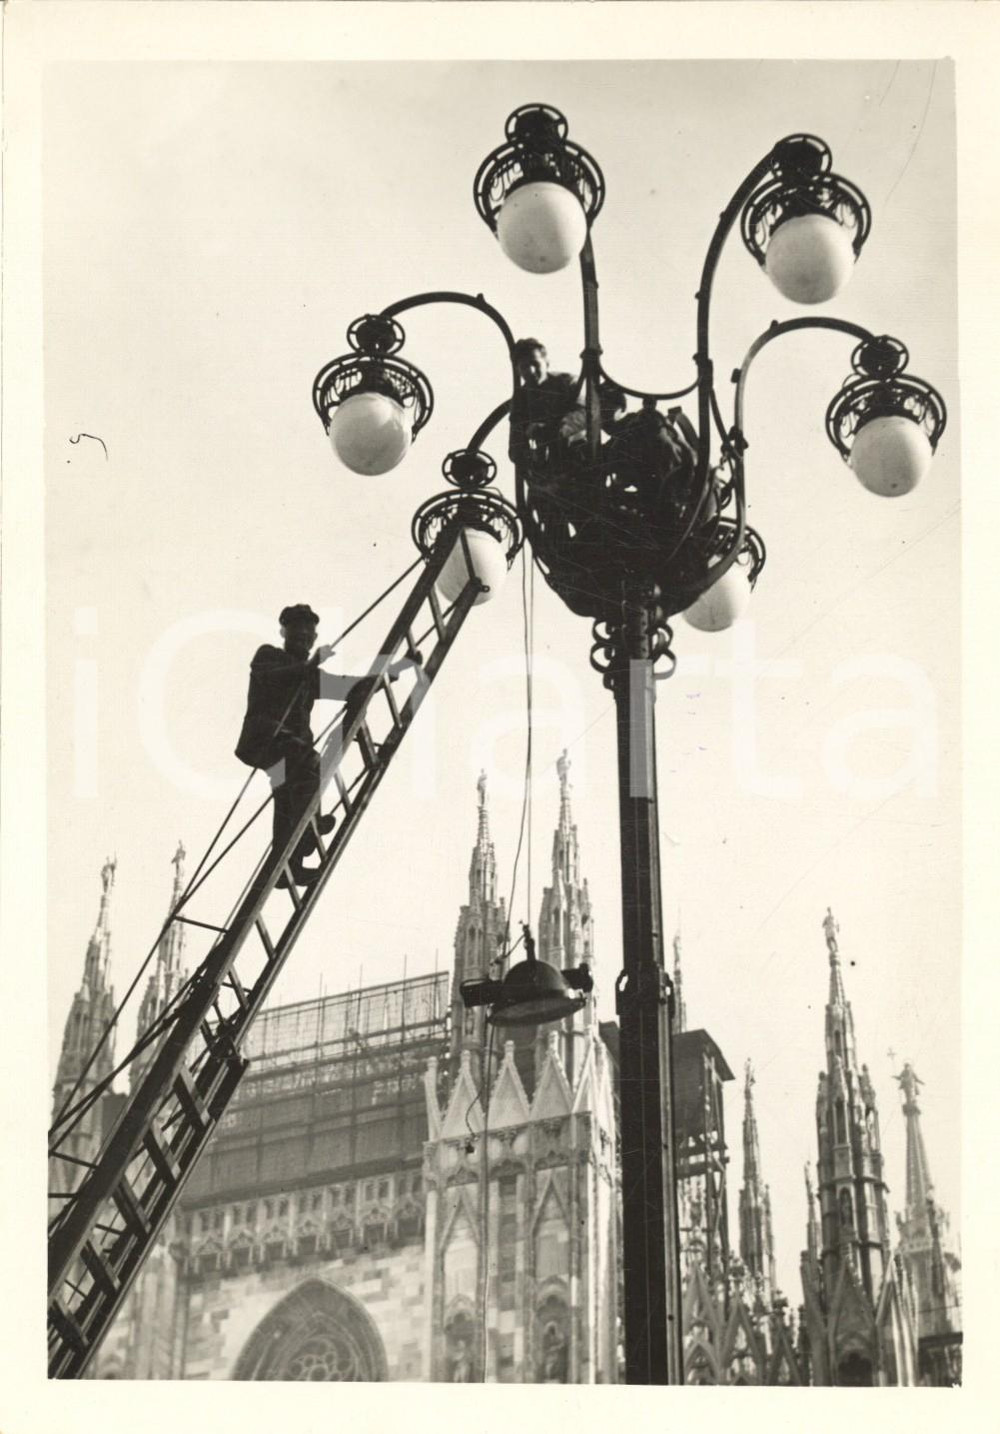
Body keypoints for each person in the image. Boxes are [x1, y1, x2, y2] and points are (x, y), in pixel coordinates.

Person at [236, 604, 418, 887]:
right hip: (266, 740)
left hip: (286, 749)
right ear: (284, 633)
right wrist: (310, 666)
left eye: (308, 636)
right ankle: (309, 830)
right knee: (311, 767)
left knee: (286, 801)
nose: (304, 640)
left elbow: (349, 688)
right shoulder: (268, 656)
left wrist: (396, 670)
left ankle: (288, 866)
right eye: (298, 634)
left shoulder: (309, 676)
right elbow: (275, 676)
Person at [510, 338, 587, 466]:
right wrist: (530, 457)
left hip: (580, 456)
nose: (531, 371)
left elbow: (585, 413)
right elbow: (516, 446)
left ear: (546, 362)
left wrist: (550, 430)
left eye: (535, 363)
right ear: (518, 370)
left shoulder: (568, 383)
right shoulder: (521, 398)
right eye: (524, 367)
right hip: (548, 465)